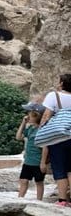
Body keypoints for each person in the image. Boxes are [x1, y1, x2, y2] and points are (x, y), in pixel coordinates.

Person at [38, 71, 71, 208]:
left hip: (58, 137)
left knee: (59, 167)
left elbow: (46, 115)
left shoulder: (54, 95)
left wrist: (42, 131)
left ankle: (63, 200)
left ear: (62, 83)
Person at [16, 100, 45, 200]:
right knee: (23, 180)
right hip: (28, 161)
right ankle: (20, 198)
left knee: (39, 182)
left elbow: (45, 147)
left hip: (37, 161)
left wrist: (43, 162)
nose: (27, 115)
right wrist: (23, 123)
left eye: (29, 113)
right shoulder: (30, 129)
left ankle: (39, 200)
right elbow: (18, 137)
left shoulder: (41, 130)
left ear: (36, 115)